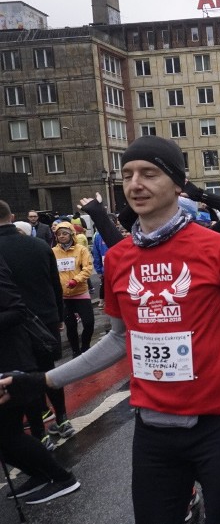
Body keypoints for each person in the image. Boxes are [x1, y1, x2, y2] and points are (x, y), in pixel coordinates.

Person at [0, 135, 220, 524]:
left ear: (177, 183)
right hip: (153, 431)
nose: (135, 184)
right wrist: (42, 381)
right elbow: (119, 339)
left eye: (149, 173)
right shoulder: (120, 258)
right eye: (127, 175)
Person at [0, 253, 81, 505]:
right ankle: (41, 474)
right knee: (5, 435)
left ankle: (62, 478)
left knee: (7, 434)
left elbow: (16, 309)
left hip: (9, 359)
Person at [0, 201, 74, 450]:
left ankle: (40, 434)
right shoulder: (40, 245)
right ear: (12, 216)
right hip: (46, 319)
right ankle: (63, 419)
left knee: (22, 378)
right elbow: (55, 285)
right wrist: (60, 317)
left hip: (14, 327)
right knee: (47, 372)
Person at [52, 221, 95, 357]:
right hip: (64, 295)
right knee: (70, 326)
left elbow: (88, 268)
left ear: (71, 234)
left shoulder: (81, 250)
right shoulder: (53, 252)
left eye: (65, 233)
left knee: (88, 322)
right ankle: (76, 351)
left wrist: (76, 280)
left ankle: (86, 346)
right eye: (59, 234)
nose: (62, 236)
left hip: (80, 291)